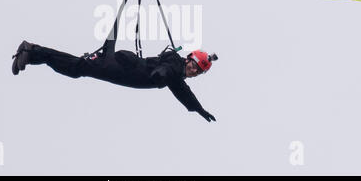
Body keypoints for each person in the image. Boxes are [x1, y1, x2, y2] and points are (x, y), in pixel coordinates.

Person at [12, 37, 218, 122]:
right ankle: (31, 51)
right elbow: (166, 66)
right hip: (118, 66)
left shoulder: (177, 77)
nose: (193, 71)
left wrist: (198, 109)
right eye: (194, 66)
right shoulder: (174, 63)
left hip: (117, 71)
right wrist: (161, 74)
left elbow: (184, 93)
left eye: (198, 72)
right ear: (189, 58)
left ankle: (32, 53)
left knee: (76, 69)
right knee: (75, 68)